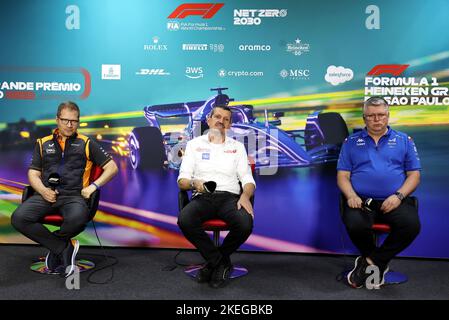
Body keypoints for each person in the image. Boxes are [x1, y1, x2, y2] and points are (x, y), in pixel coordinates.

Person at [11, 101, 118, 277]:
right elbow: (33, 173)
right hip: (46, 194)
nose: (70, 125)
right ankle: (63, 247)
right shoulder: (42, 143)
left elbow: (112, 168)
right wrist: (44, 191)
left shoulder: (86, 142)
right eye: (65, 120)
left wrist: (93, 186)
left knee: (78, 218)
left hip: (74, 196)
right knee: (19, 218)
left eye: (74, 121)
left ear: (78, 122)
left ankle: (56, 248)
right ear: (57, 120)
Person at [337, 96, 421, 289]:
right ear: (364, 117)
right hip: (360, 201)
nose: (377, 119)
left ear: (388, 116)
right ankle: (376, 263)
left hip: (395, 200)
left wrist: (398, 196)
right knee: (355, 224)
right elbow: (342, 176)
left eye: (381, 115)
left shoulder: (404, 140)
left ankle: (371, 263)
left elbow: (414, 175)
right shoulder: (350, 142)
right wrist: (351, 195)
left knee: (411, 226)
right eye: (371, 116)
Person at [177, 105, 255, 288]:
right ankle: (220, 262)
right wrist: (194, 184)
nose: (221, 121)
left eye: (226, 119)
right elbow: (182, 180)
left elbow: (247, 178)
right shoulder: (193, 145)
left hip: (230, 197)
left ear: (229, 124)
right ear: (209, 120)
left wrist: (245, 196)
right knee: (185, 220)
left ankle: (213, 263)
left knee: (245, 224)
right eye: (217, 117)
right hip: (203, 196)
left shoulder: (237, 147)